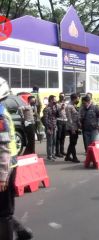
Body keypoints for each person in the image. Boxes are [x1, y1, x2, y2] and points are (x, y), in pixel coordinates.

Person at [0, 78, 33, 240]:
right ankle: (21, 230)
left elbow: (4, 148)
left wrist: (2, 176)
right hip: (5, 166)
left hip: (6, 168)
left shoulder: (1, 116)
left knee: (4, 212)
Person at [65, 93, 80, 163]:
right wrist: (72, 128)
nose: (78, 99)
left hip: (75, 126)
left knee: (73, 142)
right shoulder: (69, 106)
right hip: (72, 127)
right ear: (74, 99)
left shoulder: (74, 105)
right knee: (73, 142)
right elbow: (69, 118)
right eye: (78, 98)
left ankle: (67, 156)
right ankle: (74, 157)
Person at [43, 95, 58, 161]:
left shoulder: (55, 107)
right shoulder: (46, 108)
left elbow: (57, 115)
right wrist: (48, 128)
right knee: (50, 142)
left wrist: (57, 107)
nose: (56, 100)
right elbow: (45, 119)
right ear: (51, 100)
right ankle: (49, 155)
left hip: (54, 126)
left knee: (54, 141)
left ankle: (53, 153)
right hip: (50, 127)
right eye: (54, 99)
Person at [55, 93, 67, 158]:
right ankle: (57, 152)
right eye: (61, 96)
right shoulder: (57, 104)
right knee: (58, 137)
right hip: (59, 120)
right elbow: (56, 112)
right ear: (59, 97)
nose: (62, 97)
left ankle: (62, 151)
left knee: (63, 137)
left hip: (65, 121)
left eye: (63, 96)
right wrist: (60, 108)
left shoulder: (66, 103)